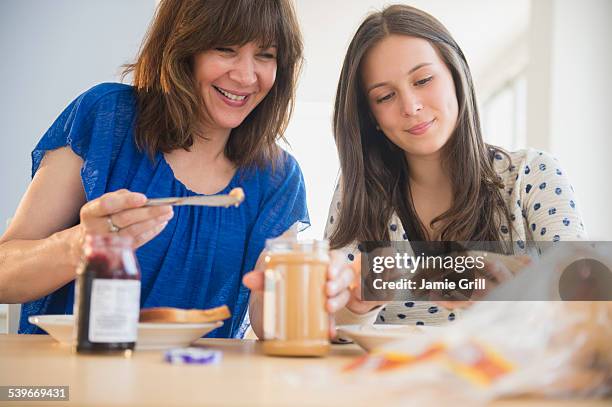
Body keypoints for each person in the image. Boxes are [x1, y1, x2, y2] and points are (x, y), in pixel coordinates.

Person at [0, 0, 357, 339]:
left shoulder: (278, 177)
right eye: (225, 49)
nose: (247, 76)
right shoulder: (106, 118)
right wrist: (79, 245)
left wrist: (320, 289)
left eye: (265, 55)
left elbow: (272, 318)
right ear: (184, 47)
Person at [324, 4, 587, 327]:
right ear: (371, 117)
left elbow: (586, 307)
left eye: (422, 80)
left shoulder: (532, 175)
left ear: (456, 75)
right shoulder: (360, 192)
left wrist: (520, 302)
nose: (411, 106)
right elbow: (331, 326)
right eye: (385, 97)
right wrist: (357, 308)